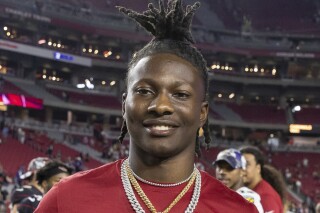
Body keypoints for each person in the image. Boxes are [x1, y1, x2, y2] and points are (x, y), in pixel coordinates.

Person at [35, 1, 258, 212]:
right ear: (124, 105)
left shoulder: (238, 209)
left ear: (202, 113)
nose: (160, 106)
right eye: (144, 91)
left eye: (180, 94)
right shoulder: (65, 199)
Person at [213, 148, 264, 213]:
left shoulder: (247, 198)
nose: (222, 172)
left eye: (229, 168)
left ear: (242, 171)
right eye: (220, 167)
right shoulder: (211, 194)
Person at [240, 146, 286, 213]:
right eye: (240, 165)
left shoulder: (265, 197)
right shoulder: (249, 192)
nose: (242, 169)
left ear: (258, 168)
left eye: (247, 164)